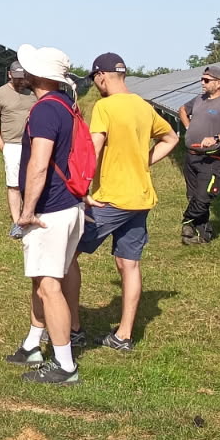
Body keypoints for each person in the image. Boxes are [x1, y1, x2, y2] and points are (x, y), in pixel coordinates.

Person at [76, 53, 179, 353]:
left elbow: (92, 149)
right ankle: (123, 335)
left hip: (111, 199)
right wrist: (143, 162)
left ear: (101, 77)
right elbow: (171, 138)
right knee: (128, 264)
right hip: (140, 198)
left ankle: (72, 329)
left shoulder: (104, 106)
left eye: (95, 79)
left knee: (67, 254)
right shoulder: (143, 107)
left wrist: (82, 187)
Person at [8, 46, 89, 386]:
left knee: (49, 286)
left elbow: (39, 163)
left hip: (49, 212)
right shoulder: (66, 105)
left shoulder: (43, 111)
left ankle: (65, 365)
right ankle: (33, 344)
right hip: (71, 205)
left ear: (38, 76)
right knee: (47, 277)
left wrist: (26, 211)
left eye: (27, 69)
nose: (21, 73)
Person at [177, 65, 220, 244]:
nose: (202, 83)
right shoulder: (199, 99)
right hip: (192, 156)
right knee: (193, 196)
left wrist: (216, 138)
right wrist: (188, 126)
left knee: (203, 195)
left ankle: (188, 222)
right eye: (202, 79)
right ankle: (202, 234)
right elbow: (182, 109)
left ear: (219, 82)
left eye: (206, 80)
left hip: (212, 158)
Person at [0, 61, 39, 239]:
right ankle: (17, 222)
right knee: (14, 184)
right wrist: (2, 145)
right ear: (9, 74)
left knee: (34, 180)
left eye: (22, 77)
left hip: (34, 144)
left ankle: (32, 214)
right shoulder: (1, 93)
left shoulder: (33, 92)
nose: (20, 81)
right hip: (12, 144)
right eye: (16, 77)